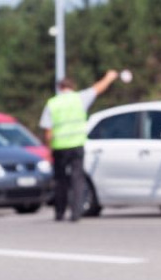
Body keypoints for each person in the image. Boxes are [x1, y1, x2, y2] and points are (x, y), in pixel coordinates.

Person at [39, 70, 119, 222]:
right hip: (76, 145)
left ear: (59, 88)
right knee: (77, 179)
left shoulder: (53, 103)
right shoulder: (79, 98)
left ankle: (60, 212)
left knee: (60, 181)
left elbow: (48, 131)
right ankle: (76, 213)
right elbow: (98, 88)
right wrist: (109, 78)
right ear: (72, 87)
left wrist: (49, 149)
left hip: (59, 147)